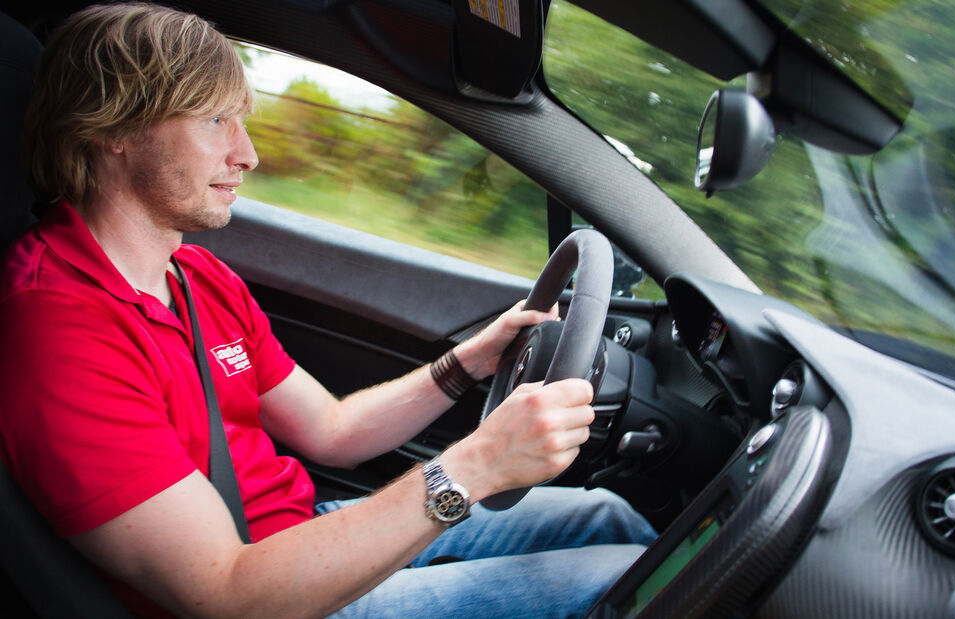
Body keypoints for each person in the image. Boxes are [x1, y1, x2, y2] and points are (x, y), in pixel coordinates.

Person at [0, 3, 655, 617]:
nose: (247, 154)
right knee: (616, 575)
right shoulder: (58, 329)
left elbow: (332, 429)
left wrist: (471, 360)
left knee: (604, 515)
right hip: (268, 592)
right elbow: (226, 590)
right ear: (115, 127)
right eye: (213, 120)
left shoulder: (198, 275)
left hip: (302, 533)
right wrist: (478, 462)